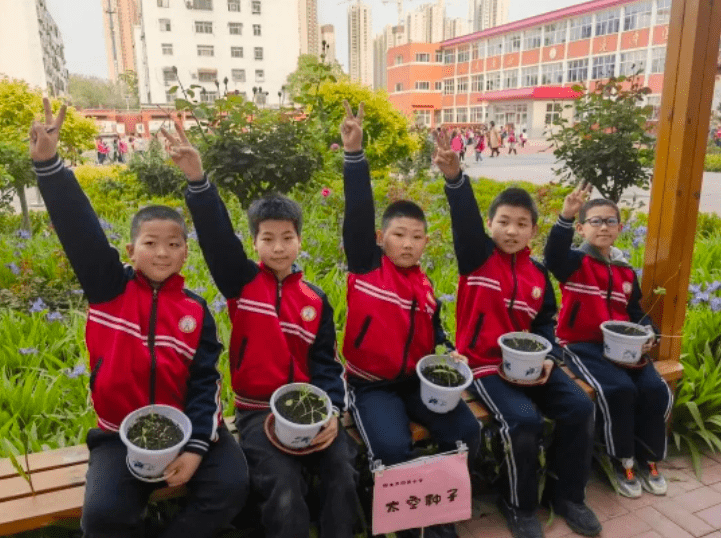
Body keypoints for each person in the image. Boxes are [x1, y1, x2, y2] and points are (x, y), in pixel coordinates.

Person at [29, 98, 248, 538]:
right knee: (104, 517)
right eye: (150, 243)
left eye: (173, 244)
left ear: (186, 252)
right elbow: (80, 231)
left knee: (232, 485)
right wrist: (49, 167)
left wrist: (197, 446)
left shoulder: (194, 310)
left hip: (185, 427)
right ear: (131, 251)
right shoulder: (109, 288)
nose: (162, 252)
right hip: (119, 433)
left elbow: (207, 381)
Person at [162, 123, 359, 538]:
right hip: (257, 411)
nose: (278, 247)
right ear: (255, 244)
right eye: (267, 238)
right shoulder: (242, 283)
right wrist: (198, 180)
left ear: (299, 241)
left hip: (310, 408)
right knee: (283, 489)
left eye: (287, 237)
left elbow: (327, 364)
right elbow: (216, 239)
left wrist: (333, 413)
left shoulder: (315, 299)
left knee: (342, 471)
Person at [434, 132, 601, 538]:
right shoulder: (476, 258)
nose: (511, 231)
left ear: (532, 231)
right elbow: (464, 218)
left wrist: (548, 358)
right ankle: (520, 503)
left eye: (521, 224)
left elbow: (546, 322)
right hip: (486, 365)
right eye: (503, 222)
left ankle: (568, 496)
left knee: (579, 407)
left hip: (531, 365)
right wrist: (455, 177)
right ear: (490, 225)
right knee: (523, 421)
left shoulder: (537, 274)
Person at [341, 101, 480, 538]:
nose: (407, 243)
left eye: (417, 237)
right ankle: (410, 528)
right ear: (382, 239)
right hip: (371, 385)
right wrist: (354, 156)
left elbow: (433, 331)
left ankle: (439, 515)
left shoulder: (422, 284)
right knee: (392, 447)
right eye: (398, 235)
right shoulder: (366, 265)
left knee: (466, 432)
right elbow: (359, 210)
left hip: (419, 383)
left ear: (425, 242)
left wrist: (447, 350)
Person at [544, 185, 673, 499]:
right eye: (595, 221)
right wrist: (565, 215)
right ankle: (622, 458)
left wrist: (650, 332)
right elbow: (553, 256)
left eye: (610, 221)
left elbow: (634, 311)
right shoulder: (575, 262)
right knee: (619, 389)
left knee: (655, 388)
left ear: (620, 227)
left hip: (622, 346)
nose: (603, 227)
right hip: (580, 344)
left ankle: (649, 457)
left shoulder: (626, 270)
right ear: (582, 228)